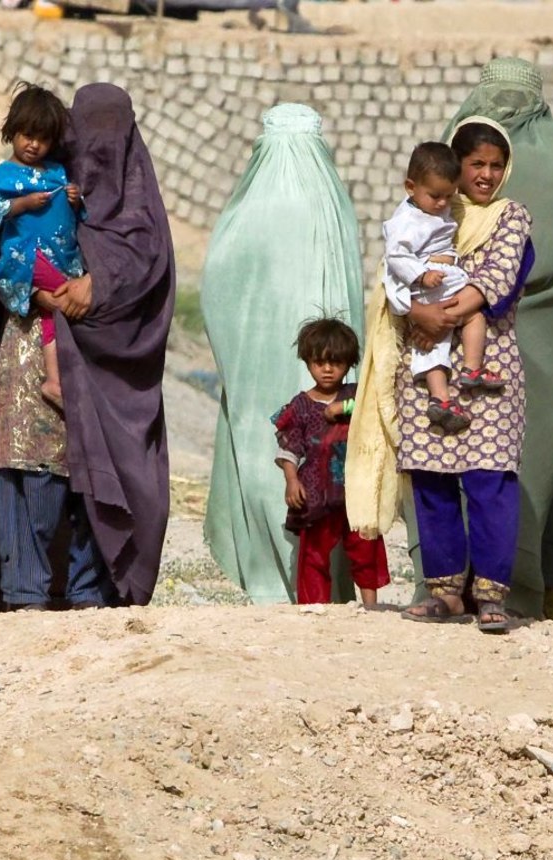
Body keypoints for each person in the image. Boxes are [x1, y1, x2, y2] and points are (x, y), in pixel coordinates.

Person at [0, 83, 175, 613]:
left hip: (112, 376)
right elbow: (1, 265)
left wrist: (98, 288)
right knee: (24, 464)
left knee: (99, 470)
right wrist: (35, 293)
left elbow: (149, 280)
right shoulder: (47, 189)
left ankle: (90, 590)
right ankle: (25, 592)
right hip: (30, 344)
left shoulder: (140, 217)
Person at [346, 120, 532, 636]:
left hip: (487, 370)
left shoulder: (510, 216)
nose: (486, 175)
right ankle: (445, 592)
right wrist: (412, 312)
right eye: (476, 164)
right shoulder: (428, 211)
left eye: (496, 165)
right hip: (426, 364)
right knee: (431, 480)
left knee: (490, 479)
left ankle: (490, 596)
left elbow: (498, 280)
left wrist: (435, 315)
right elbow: (394, 272)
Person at [445, 57, 553, 624]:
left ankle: (476, 584)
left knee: (471, 458)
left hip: (473, 340)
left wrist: (471, 292)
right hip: (539, 345)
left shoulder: (465, 153)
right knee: (536, 457)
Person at [202, 103, 363, 605]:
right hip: (330, 370)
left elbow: (217, 290)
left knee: (264, 461)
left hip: (257, 374)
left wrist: (236, 359)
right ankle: (321, 590)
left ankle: (272, 585)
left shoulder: (246, 210)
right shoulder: (331, 202)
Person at [383, 142, 500, 433]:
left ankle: (466, 374)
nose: (442, 203)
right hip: (428, 285)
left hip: (446, 280)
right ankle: (445, 392)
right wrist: (421, 275)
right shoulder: (405, 220)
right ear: (410, 187)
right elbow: (396, 256)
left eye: (449, 196)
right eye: (435, 196)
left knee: (471, 319)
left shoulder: (437, 210)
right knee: (434, 342)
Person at [0, 83, 84, 409]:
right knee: (66, 302)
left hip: (62, 258)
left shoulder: (56, 172)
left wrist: (74, 198)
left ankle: (54, 380)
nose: (33, 145)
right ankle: (57, 381)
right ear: (12, 130)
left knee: (55, 311)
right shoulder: (7, 173)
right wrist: (23, 204)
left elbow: (75, 212)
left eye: (42, 139)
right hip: (28, 255)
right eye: (27, 135)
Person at [273, 318, 388, 606]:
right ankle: (314, 608)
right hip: (316, 493)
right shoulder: (300, 406)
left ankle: (371, 607)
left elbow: (378, 403)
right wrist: (291, 481)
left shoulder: (356, 396)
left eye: (335, 362)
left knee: (365, 547)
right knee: (314, 554)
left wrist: (344, 408)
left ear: (349, 364)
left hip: (357, 491)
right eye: (319, 362)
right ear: (307, 362)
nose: (327, 369)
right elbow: (289, 448)